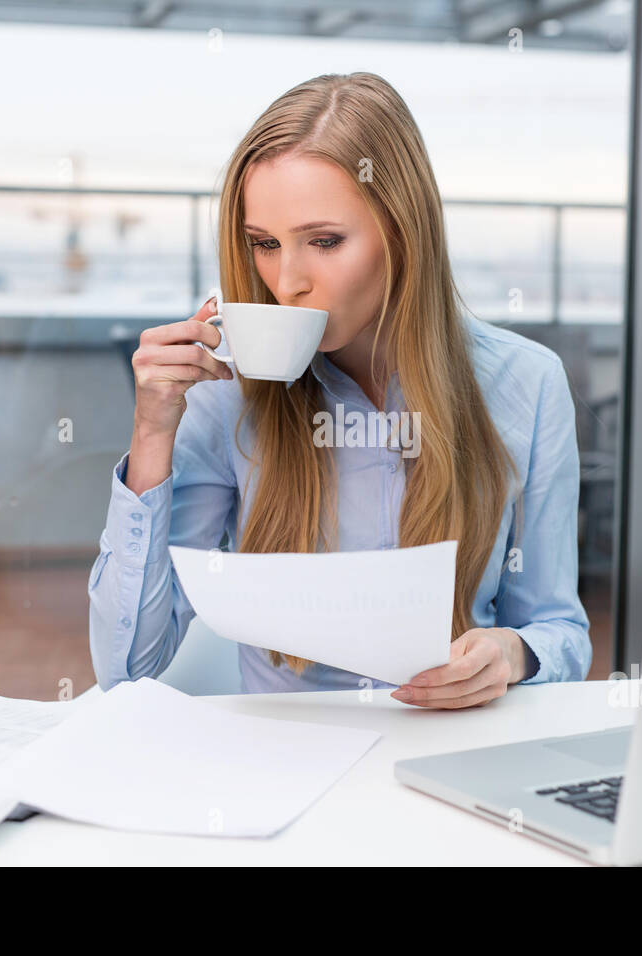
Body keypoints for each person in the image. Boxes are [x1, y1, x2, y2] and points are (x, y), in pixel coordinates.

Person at [89, 72, 590, 708]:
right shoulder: (225, 390)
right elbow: (125, 665)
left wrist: (512, 656)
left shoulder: (527, 384)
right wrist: (153, 434)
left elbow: (560, 632)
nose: (286, 281)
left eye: (324, 241)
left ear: (404, 234)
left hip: (447, 752)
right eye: (264, 245)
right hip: (285, 770)